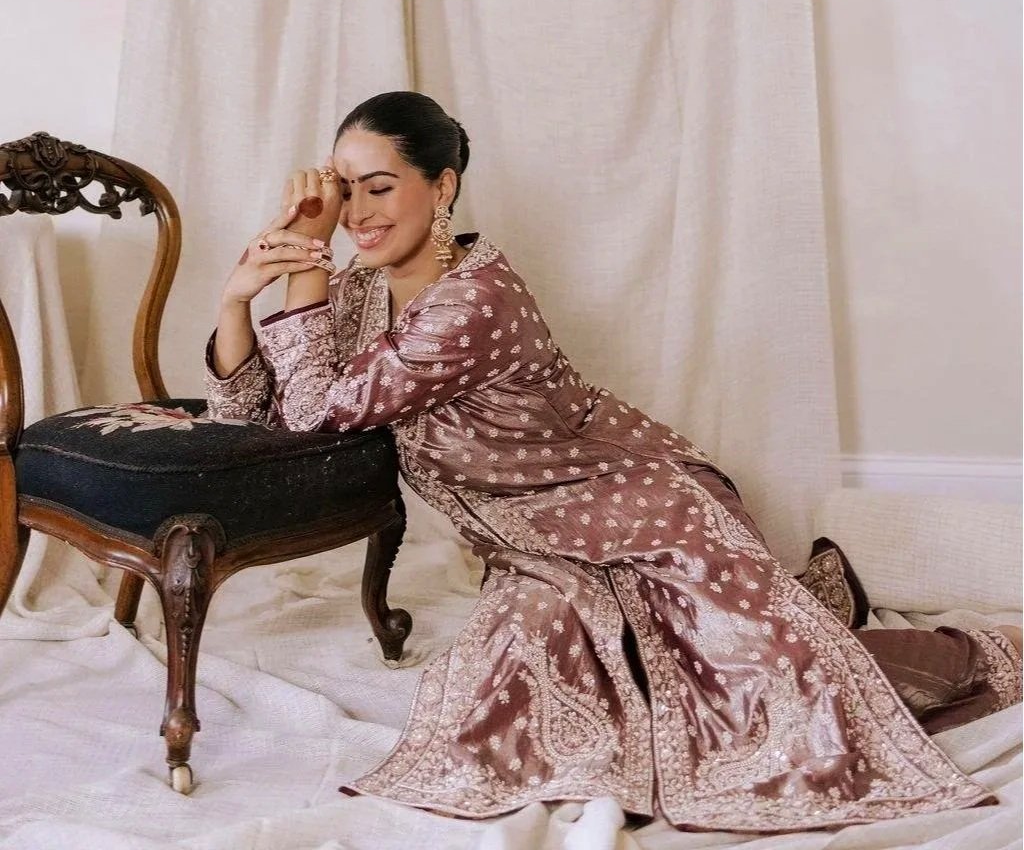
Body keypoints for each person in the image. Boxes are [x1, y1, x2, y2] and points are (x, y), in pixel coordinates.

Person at [204, 91, 1022, 833]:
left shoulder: (472, 302)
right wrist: (240, 295)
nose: (352, 214)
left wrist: (300, 269)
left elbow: (316, 409)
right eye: (342, 191)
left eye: (378, 186)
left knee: (760, 690)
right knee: (525, 660)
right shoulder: (359, 290)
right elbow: (253, 411)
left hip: (645, 512)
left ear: (442, 187)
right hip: (536, 543)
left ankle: (988, 652)